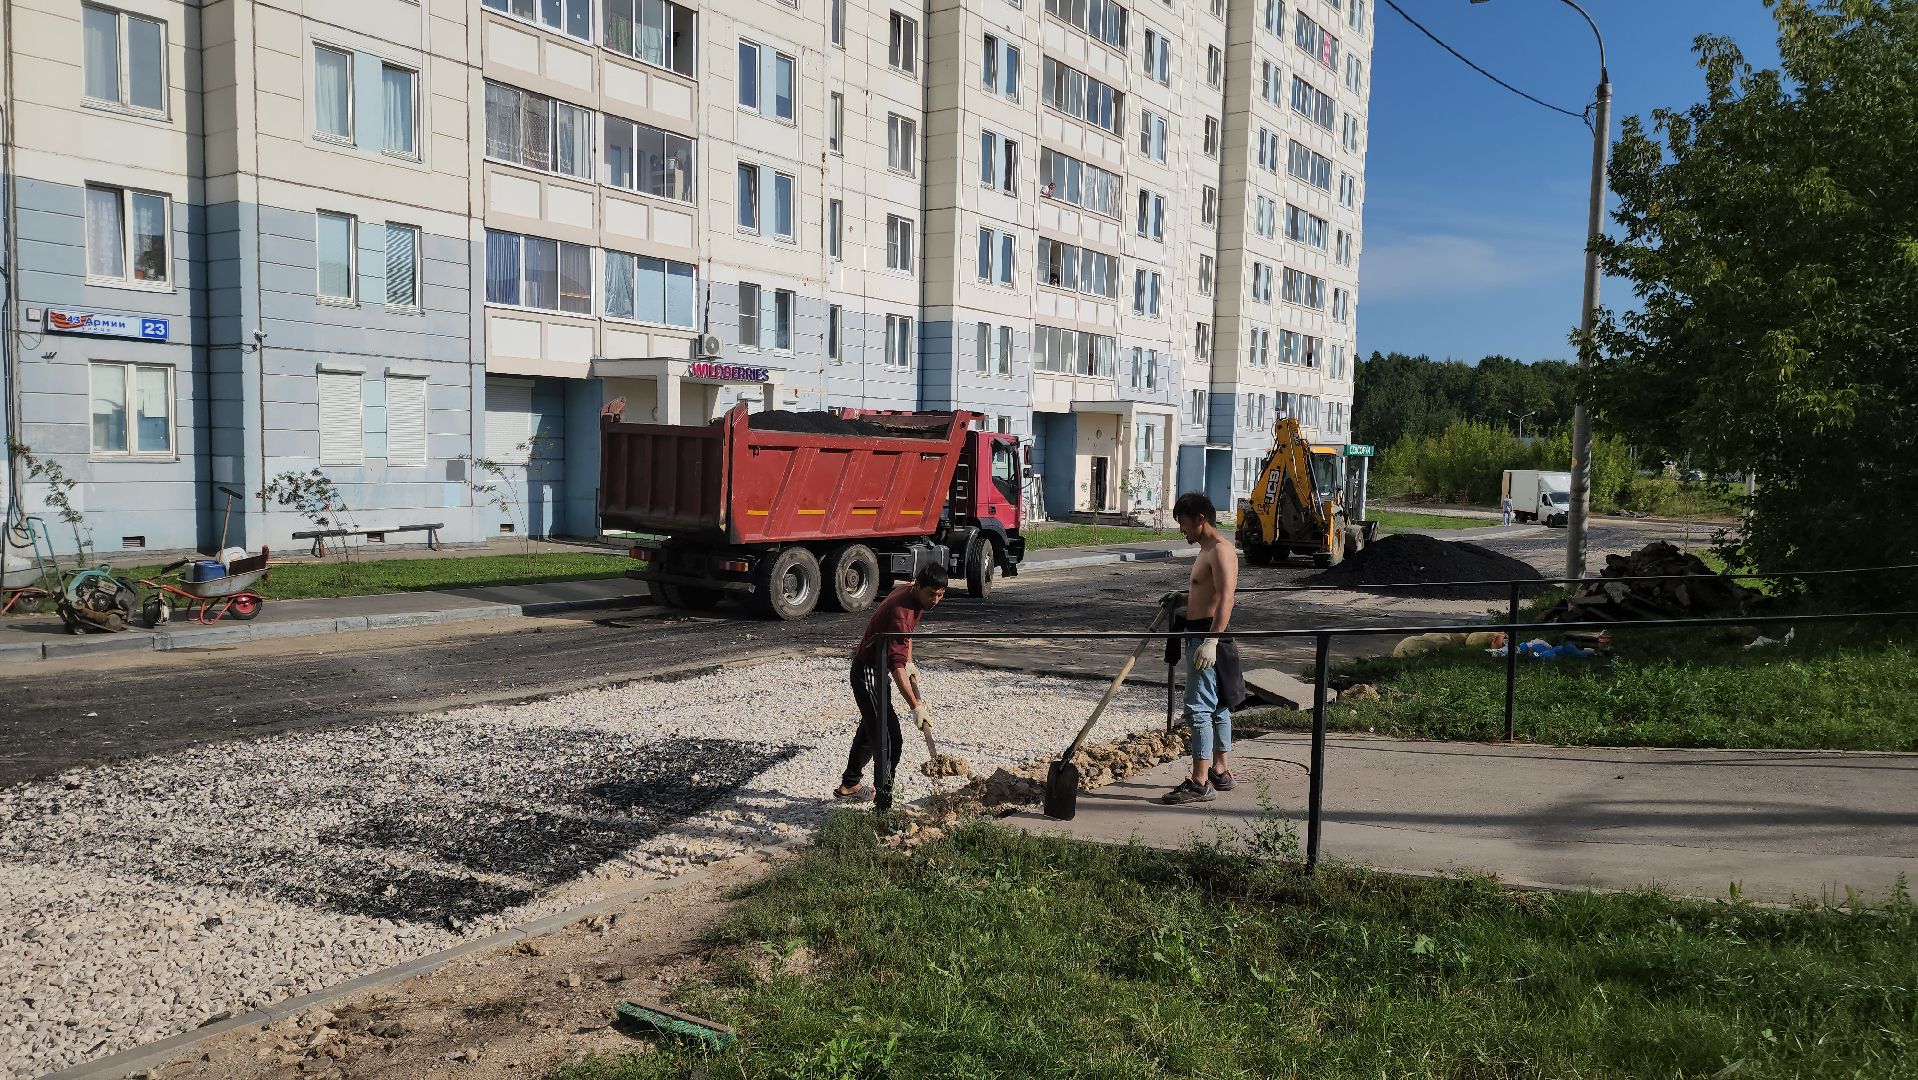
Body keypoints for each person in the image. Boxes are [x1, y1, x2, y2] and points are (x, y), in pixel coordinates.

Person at [835, 564, 948, 811]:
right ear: (918, 586)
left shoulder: (909, 591)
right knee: (889, 739)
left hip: (877, 666)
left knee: (871, 728)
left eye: (940, 594)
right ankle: (883, 805)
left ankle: (849, 785)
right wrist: (916, 706)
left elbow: (905, 640)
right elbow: (896, 667)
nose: (936, 600)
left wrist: (909, 661)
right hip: (869, 673)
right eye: (932, 594)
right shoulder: (901, 613)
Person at [1160, 492, 1246, 805]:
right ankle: (1219, 771)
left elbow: (1226, 598)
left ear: (1200, 519)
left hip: (1208, 637)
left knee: (1198, 708)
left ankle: (1199, 781)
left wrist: (1211, 641)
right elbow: (1207, 592)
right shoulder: (1206, 549)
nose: (1181, 530)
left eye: (1183, 524)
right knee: (1219, 704)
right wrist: (1184, 599)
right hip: (1202, 633)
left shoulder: (1221, 551)